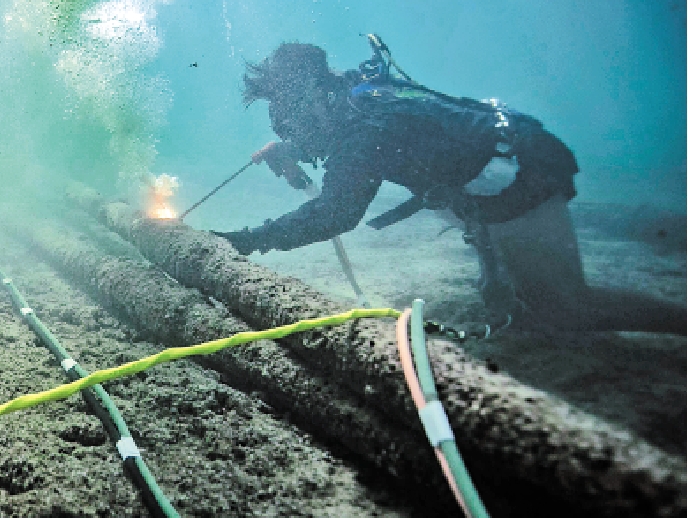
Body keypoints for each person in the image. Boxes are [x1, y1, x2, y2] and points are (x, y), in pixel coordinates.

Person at [213, 40, 685, 335]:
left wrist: (247, 241)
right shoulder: (357, 97)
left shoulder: (366, 126)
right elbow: (331, 138)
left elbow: (337, 212)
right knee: (510, 305)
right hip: (487, 176)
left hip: (517, 176)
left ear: (314, 94)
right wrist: (289, 149)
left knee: (568, 312)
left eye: (287, 109)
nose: (284, 122)